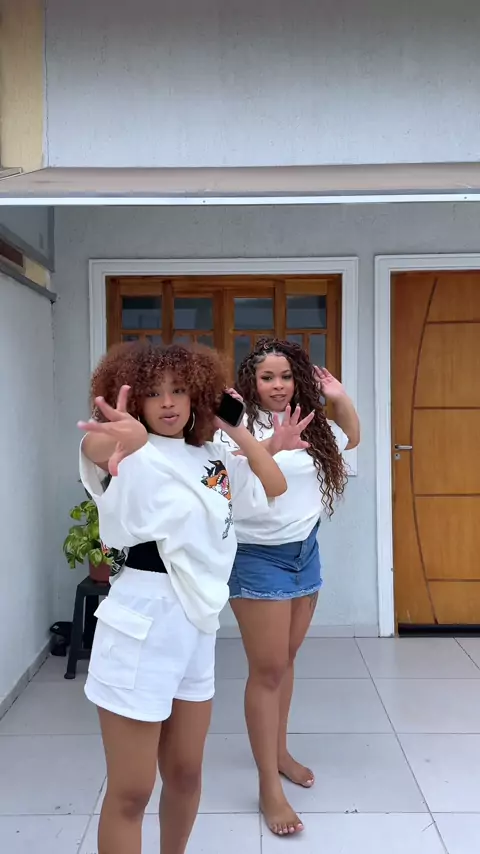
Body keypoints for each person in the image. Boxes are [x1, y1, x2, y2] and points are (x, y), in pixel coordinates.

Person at [77, 341, 310, 854]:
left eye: (180, 390)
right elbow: (96, 448)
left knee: (185, 775)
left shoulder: (211, 457)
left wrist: (240, 432)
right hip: (140, 623)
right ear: (134, 400)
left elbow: (273, 484)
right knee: (133, 790)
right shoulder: (127, 448)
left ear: (198, 395)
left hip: (197, 627)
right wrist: (124, 436)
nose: (168, 402)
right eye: (154, 393)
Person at [219, 337, 360, 837]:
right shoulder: (235, 424)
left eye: (285, 376)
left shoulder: (311, 421)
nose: (277, 386)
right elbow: (232, 485)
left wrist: (339, 399)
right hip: (257, 557)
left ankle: (278, 752)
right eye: (267, 377)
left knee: (286, 661)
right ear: (251, 381)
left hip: (305, 551)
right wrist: (270, 446)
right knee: (267, 670)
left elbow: (352, 439)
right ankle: (267, 786)